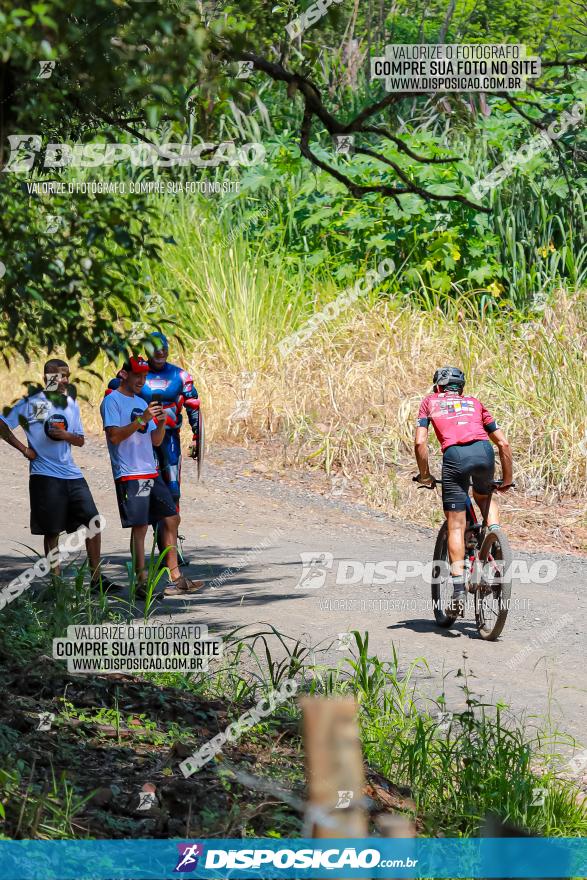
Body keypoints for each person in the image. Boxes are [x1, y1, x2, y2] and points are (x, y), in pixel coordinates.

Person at [0, 359, 119, 592]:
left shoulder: (70, 404)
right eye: (59, 376)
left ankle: (97, 580)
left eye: (67, 375)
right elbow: (2, 423)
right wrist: (24, 449)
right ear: (47, 377)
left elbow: (81, 440)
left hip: (71, 474)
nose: (65, 380)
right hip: (44, 474)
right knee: (52, 531)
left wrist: (65, 436)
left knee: (93, 522)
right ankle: (56, 585)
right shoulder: (32, 403)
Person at [100, 355, 203, 598]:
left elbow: (155, 441)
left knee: (171, 518)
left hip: (150, 470)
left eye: (145, 376)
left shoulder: (140, 401)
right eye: (137, 375)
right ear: (124, 374)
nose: (142, 380)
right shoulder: (112, 401)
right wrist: (141, 419)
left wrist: (159, 423)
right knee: (141, 528)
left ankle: (175, 578)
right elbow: (114, 437)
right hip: (130, 473)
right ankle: (141, 583)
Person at [414, 366, 513, 611]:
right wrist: (507, 479)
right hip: (484, 452)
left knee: (455, 524)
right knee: (484, 495)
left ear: (438, 386)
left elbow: (420, 442)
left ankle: (458, 589)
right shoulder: (475, 403)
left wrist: (426, 475)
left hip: (456, 457)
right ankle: (495, 538)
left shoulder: (430, 402)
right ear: (462, 388)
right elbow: (503, 442)